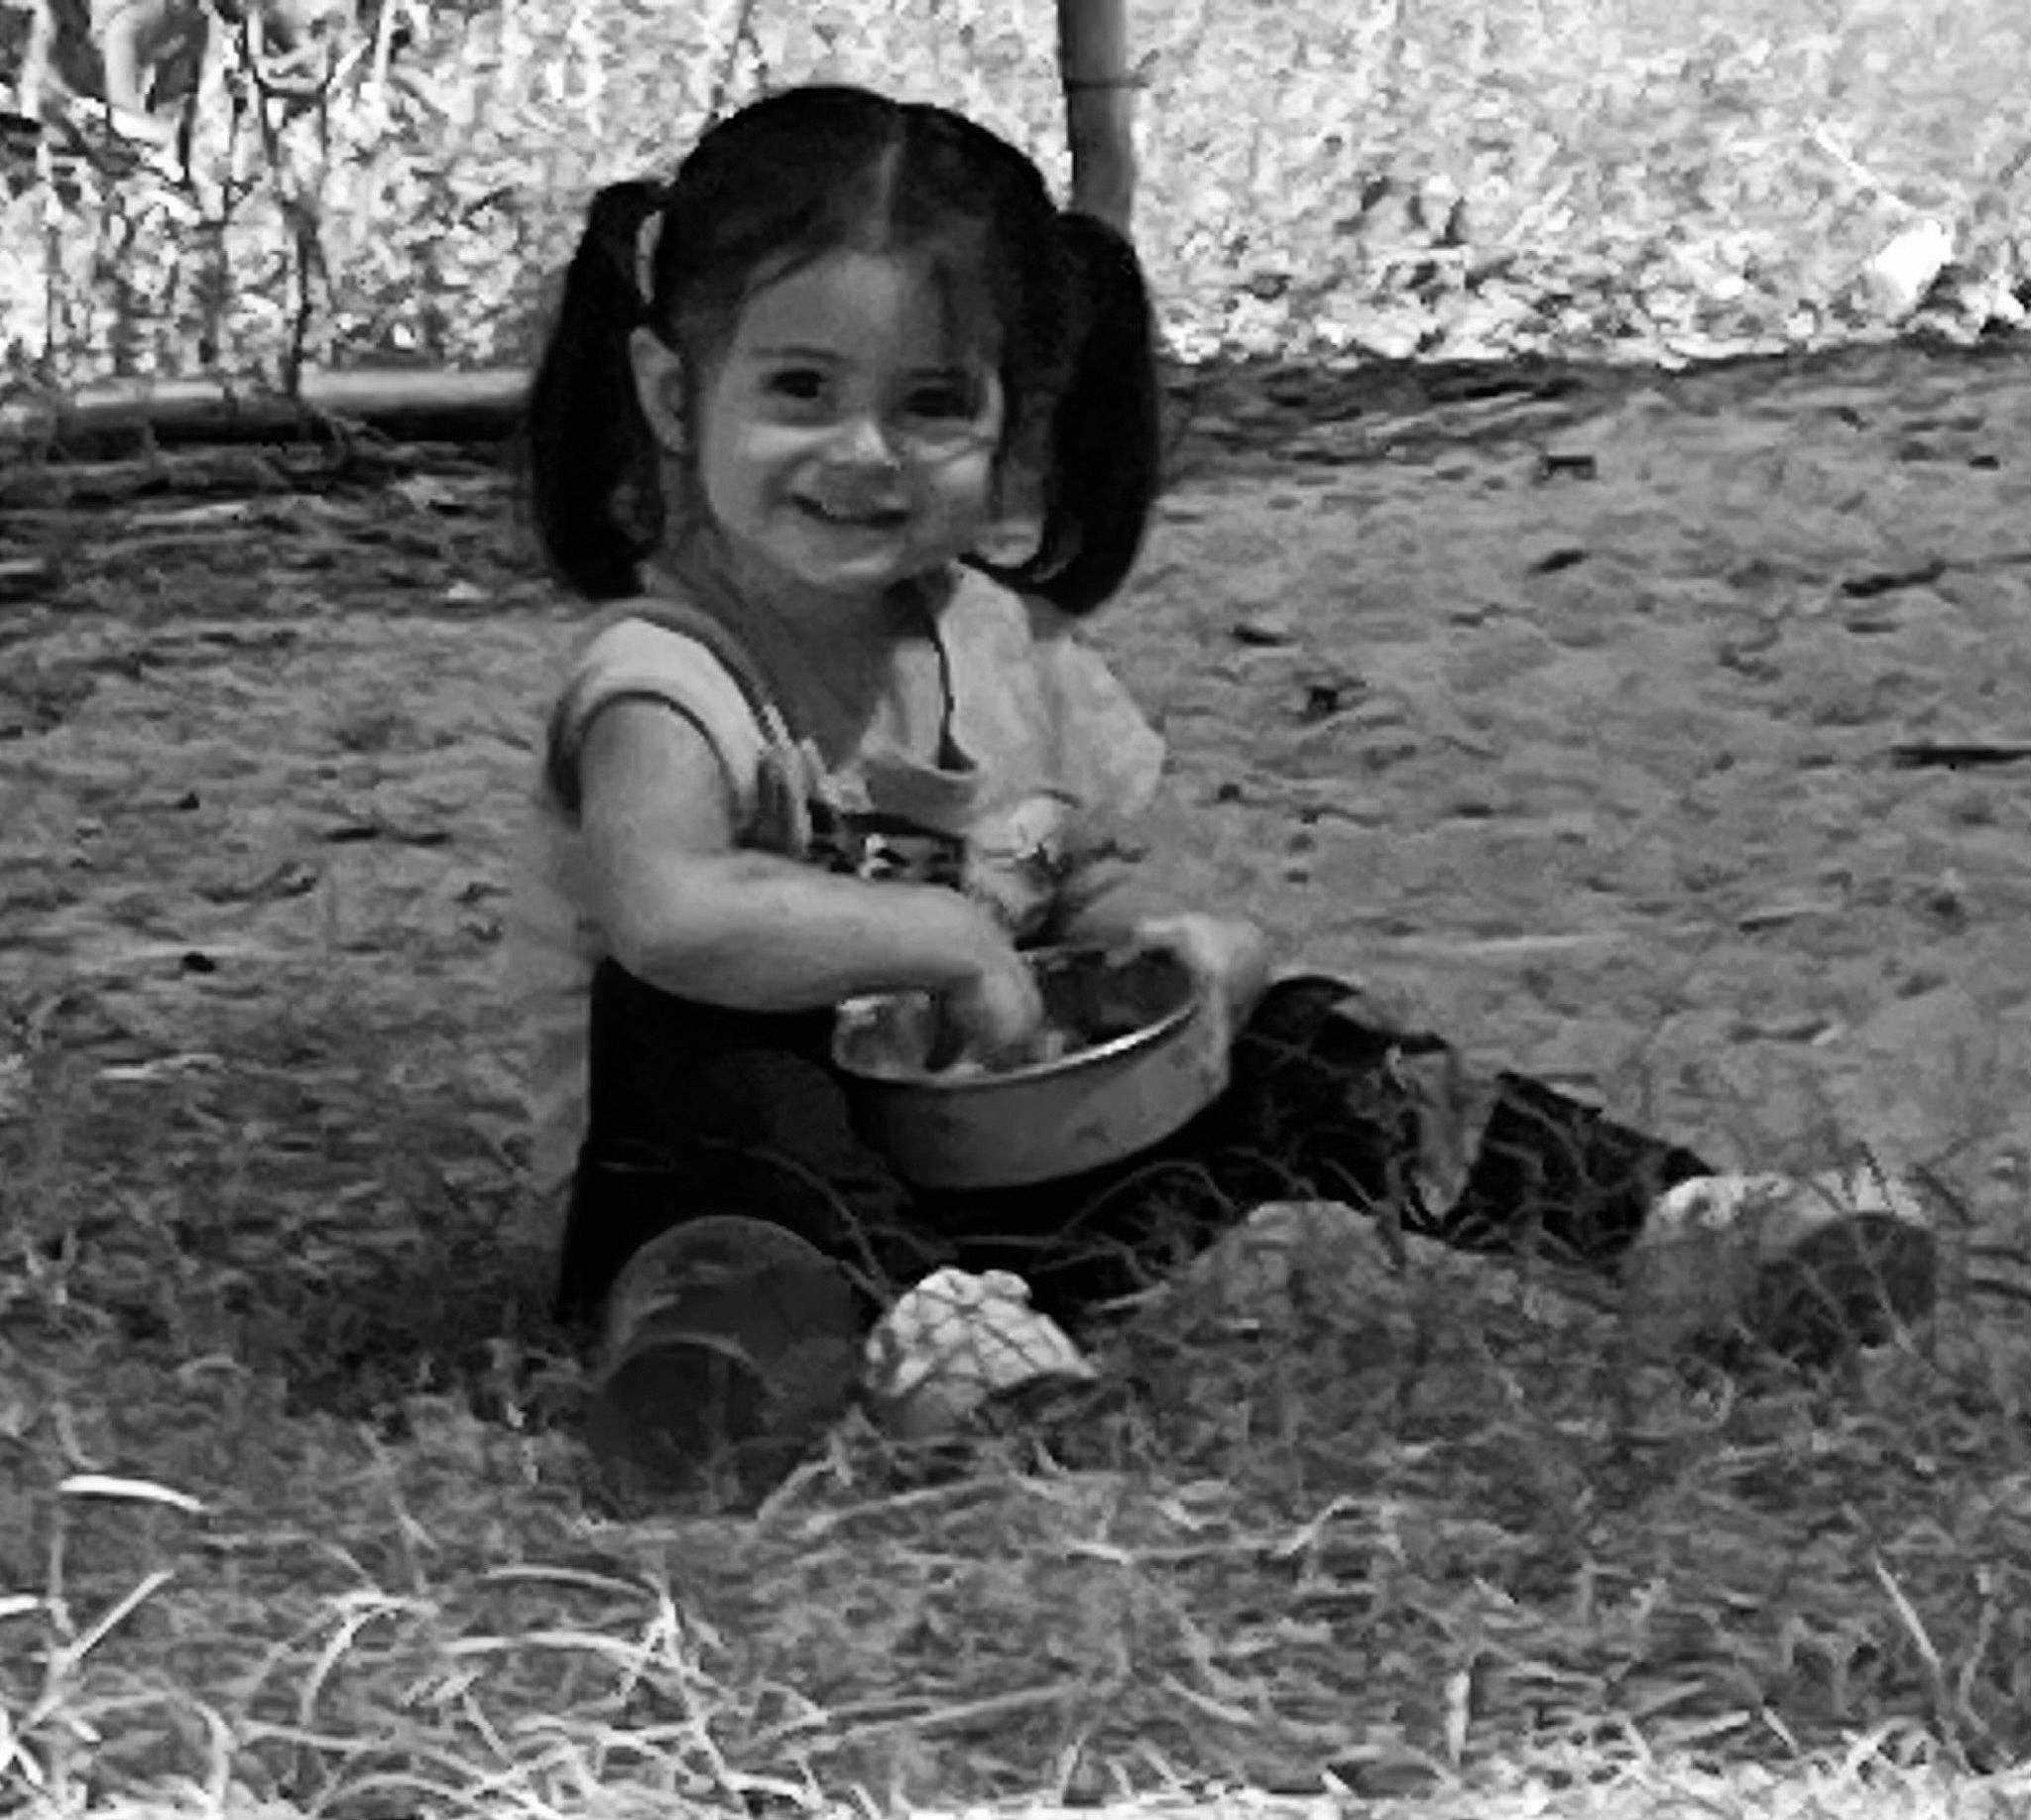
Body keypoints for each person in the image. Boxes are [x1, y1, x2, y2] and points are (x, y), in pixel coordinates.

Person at [509, 82, 1938, 1507]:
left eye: (931, 403)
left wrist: (1188, 953)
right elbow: (668, 909)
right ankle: (831, 1343)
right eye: (800, 391)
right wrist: (940, 939)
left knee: (1303, 1045)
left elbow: (1084, 879)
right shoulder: (667, 679)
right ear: (673, 396)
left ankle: (1671, 1229)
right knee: (699, 1028)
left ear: (1012, 426)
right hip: (716, 1207)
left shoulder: (1006, 655)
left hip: (1002, 1201)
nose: (865, 451)